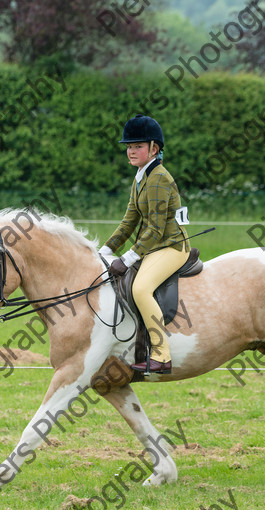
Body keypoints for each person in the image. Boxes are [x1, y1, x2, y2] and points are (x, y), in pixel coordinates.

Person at [98, 115, 190, 374]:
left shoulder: (159, 178)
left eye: (137, 146)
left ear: (154, 148)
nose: (131, 151)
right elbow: (129, 221)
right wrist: (105, 250)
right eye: (128, 146)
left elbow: (156, 229)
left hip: (171, 246)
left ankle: (161, 355)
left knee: (140, 289)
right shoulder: (140, 177)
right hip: (154, 247)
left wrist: (127, 258)